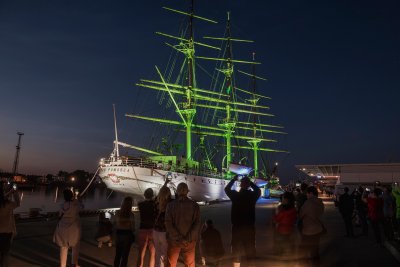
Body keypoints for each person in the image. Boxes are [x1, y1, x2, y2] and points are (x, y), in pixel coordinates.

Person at [224, 175, 261, 267]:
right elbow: (258, 191)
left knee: (236, 249)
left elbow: (226, 189)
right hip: (249, 227)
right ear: (248, 185)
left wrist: (233, 179)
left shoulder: (235, 195)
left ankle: (236, 265)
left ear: (240, 185)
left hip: (237, 227)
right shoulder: (253, 196)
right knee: (250, 250)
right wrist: (250, 182)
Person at [165, 182, 200, 267]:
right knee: (190, 264)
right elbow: (197, 224)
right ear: (187, 192)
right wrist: (187, 238)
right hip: (189, 241)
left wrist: (179, 238)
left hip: (174, 240)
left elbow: (168, 223)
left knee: (171, 264)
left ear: (177, 192)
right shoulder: (195, 205)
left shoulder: (170, 205)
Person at [53, 188, 84, 267]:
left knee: (63, 247)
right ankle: (74, 263)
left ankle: (62, 265)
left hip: (63, 229)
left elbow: (59, 216)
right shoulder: (76, 204)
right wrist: (79, 199)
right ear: (72, 196)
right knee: (75, 246)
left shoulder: (62, 205)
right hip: (74, 229)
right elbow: (82, 207)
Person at [298, 186, 325, 266]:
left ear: (311, 193)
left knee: (303, 249)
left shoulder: (308, 203)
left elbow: (301, 215)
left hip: (308, 230)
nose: (307, 195)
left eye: (307, 193)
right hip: (318, 229)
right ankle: (316, 264)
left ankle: (304, 264)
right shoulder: (320, 203)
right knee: (315, 249)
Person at [0, 182, 20, 267]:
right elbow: (18, 203)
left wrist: (9, 192)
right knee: (5, 254)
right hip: (6, 232)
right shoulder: (8, 204)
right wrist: (15, 193)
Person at [272, 191, 297, 256]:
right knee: (290, 245)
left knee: (281, 245)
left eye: (283, 198)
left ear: (286, 199)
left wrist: (275, 217)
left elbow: (276, 219)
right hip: (291, 229)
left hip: (282, 230)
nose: (282, 199)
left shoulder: (282, 209)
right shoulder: (294, 209)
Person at [153, 184, 172, 267]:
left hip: (155, 231)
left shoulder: (155, 203)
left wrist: (165, 184)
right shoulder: (170, 204)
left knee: (157, 252)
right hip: (165, 232)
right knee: (165, 253)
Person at [137, 188, 156, 267]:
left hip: (143, 230)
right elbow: (157, 198)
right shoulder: (154, 204)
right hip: (152, 230)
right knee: (152, 254)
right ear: (152, 195)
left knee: (141, 253)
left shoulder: (140, 204)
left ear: (144, 195)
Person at [114, 196, 135, 267]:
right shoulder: (131, 215)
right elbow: (133, 228)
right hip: (127, 235)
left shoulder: (117, 212)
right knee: (125, 256)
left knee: (118, 254)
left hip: (119, 234)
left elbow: (115, 224)